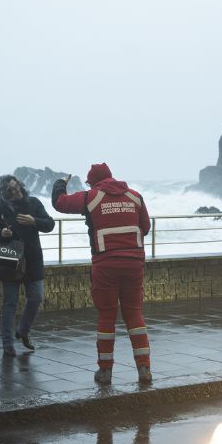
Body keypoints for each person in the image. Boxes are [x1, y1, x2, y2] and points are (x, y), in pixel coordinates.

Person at [51, 163, 152, 385]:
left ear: (94, 182)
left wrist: (60, 184)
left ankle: (105, 372)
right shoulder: (135, 197)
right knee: (134, 314)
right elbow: (145, 227)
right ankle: (144, 369)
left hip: (105, 264)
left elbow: (60, 203)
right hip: (134, 263)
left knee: (107, 315)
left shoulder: (91, 197)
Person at [0, 175, 54, 357]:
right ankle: (8, 343)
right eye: (10, 190)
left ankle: (23, 330)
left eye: (16, 188)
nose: (15, 192)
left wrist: (35, 221)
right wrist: (1, 233)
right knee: (10, 303)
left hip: (33, 259)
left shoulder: (34, 203)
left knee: (37, 297)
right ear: (2, 193)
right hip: (9, 261)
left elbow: (50, 224)